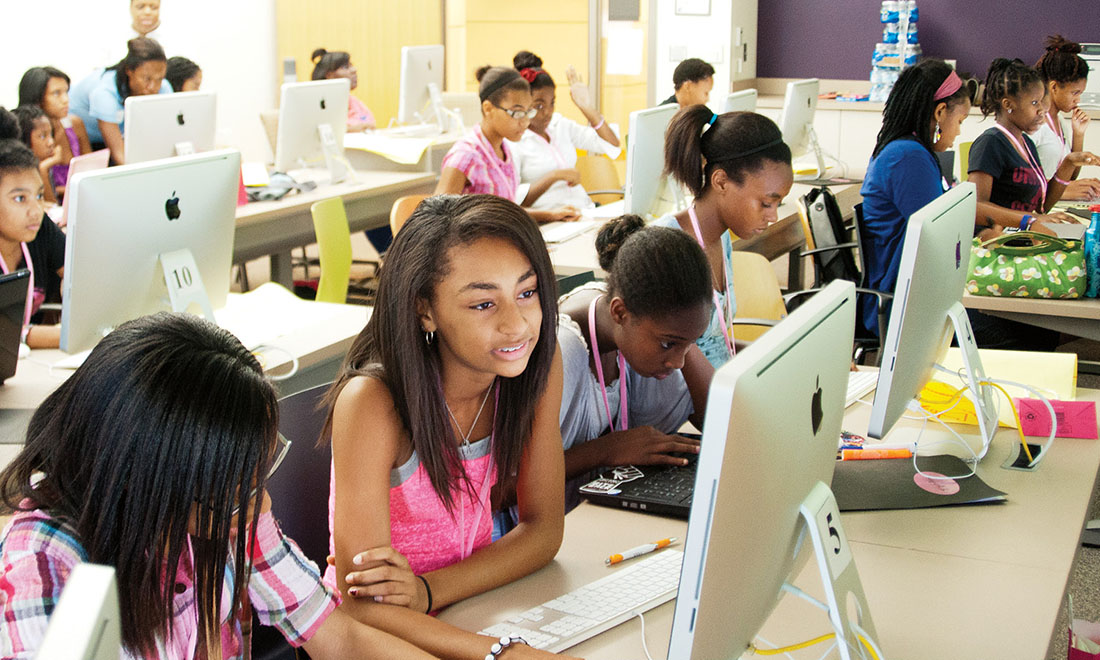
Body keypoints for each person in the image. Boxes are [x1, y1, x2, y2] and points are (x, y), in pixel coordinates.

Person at [0, 313, 438, 659]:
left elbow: (336, 635)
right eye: (234, 488)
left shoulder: (229, 509)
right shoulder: (43, 563)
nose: (258, 500)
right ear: (156, 478)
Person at [323, 194, 574, 660]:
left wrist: (429, 591)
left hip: (462, 607)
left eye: (526, 292)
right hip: (374, 641)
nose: (517, 324)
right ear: (425, 310)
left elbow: (544, 531)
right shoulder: (373, 404)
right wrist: (502, 653)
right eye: (483, 304)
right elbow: (362, 608)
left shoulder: (535, 365)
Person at [556, 215, 713, 512]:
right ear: (620, 312)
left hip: (592, 515)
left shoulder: (630, 330)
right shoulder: (562, 351)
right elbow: (504, 488)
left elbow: (718, 422)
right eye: (669, 343)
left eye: (690, 343)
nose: (678, 362)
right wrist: (607, 450)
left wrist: (682, 340)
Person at [660, 108, 794, 368]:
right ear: (721, 182)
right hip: (685, 404)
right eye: (767, 203)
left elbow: (717, 347)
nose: (774, 216)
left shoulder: (722, 239)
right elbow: (667, 366)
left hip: (721, 387)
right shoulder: (667, 249)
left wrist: (788, 356)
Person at [967, 58, 1097, 234]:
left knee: (1086, 238)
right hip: (995, 241)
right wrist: (1031, 220)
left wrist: (1069, 163)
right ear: (1008, 105)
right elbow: (976, 207)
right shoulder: (990, 143)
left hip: (1022, 234)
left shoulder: (1026, 143)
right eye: (1035, 103)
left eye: (1042, 102)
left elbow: (1041, 207)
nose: (1042, 110)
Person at [435, 67, 580, 224]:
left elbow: (503, 212)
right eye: (517, 113)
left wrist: (551, 215)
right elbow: (437, 219)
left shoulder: (503, 150)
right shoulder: (466, 156)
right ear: (488, 108)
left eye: (528, 112)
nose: (525, 122)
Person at [510, 51, 621, 213]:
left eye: (552, 103)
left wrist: (585, 106)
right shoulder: (512, 140)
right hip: (549, 222)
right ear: (522, 103)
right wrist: (555, 176)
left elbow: (612, 145)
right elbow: (514, 203)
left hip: (584, 212)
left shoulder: (560, 125)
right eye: (539, 105)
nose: (548, 112)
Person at [0, 108, 65, 349]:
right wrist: (73, 337)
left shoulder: (38, 226)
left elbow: (76, 271)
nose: (35, 210)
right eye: (19, 199)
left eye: (38, 195)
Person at [69, 37, 172, 165]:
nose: (154, 87)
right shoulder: (105, 93)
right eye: (147, 79)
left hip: (121, 135)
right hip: (87, 143)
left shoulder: (164, 87)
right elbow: (119, 156)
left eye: (159, 78)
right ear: (129, 70)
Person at [1032, 35, 1100, 201]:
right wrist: (1066, 191)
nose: (1078, 100)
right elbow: (1022, 184)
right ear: (1054, 87)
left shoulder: (1059, 121)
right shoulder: (1035, 125)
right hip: (1037, 208)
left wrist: (1079, 134)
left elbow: (1070, 177)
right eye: (1074, 93)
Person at [17, 66, 92, 199]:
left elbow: (92, 169)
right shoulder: (24, 135)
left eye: (66, 92)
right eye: (56, 93)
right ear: (37, 100)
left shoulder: (75, 124)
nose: (65, 100)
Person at [311, 48, 376, 132]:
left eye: (351, 66)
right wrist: (348, 130)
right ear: (329, 75)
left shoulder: (354, 102)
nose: (354, 70)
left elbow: (371, 126)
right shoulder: (319, 106)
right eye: (345, 67)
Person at [11, 106, 62, 205]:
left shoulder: (43, 162)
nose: (51, 142)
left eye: (51, 134)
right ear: (24, 140)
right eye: (42, 136)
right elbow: (52, 207)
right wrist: (43, 169)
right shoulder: (17, 173)